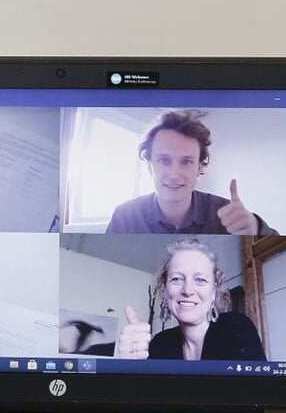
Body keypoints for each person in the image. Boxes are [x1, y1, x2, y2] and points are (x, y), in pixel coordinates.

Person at [104, 110, 275, 236]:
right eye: (164, 160)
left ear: (200, 167)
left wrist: (256, 229)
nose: (174, 174)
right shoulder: (124, 217)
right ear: (150, 165)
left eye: (186, 161)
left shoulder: (226, 214)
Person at [115, 238, 266, 362]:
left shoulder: (237, 327)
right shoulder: (160, 344)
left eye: (200, 279)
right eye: (176, 279)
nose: (187, 290)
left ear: (213, 291)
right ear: (165, 288)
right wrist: (131, 368)